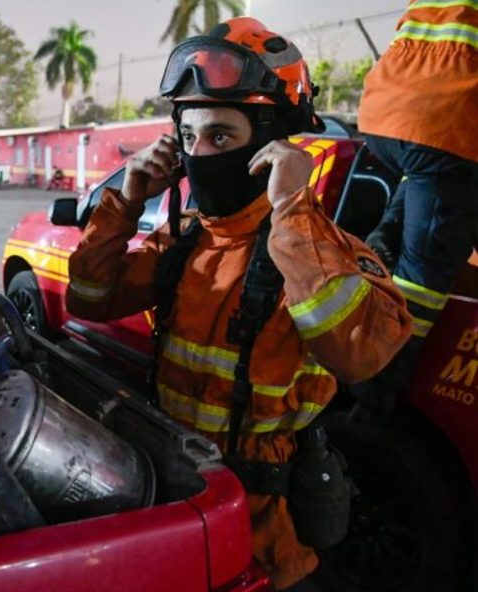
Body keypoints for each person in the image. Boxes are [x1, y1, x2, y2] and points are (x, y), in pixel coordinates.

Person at [65, 17, 412, 591]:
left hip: (266, 531)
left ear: (274, 144)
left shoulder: (319, 252)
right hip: (175, 500)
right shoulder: (183, 243)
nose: (199, 154)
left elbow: (362, 354)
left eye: (221, 137)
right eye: (188, 137)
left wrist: (293, 209)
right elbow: (89, 298)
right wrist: (124, 202)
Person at [353, 0, 478, 418]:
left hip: (387, 116)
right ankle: (374, 399)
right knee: (424, 278)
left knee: (428, 186)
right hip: (442, 125)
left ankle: (374, 260)